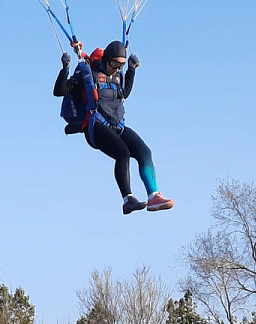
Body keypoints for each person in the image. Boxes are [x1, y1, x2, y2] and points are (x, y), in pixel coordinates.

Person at [57, 41, 173, 215]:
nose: (117, 69)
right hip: (95, 127)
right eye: (115, 65)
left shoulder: (118, 76)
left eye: (121, 66)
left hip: (117, 126)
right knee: (123, 153)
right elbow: (60, 90)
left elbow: (123, 94)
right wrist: (65, 67)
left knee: (145, 152)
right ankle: (128, 200)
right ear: (106, 59)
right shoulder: (88, 73)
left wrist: (131, 70)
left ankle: (154, 196)